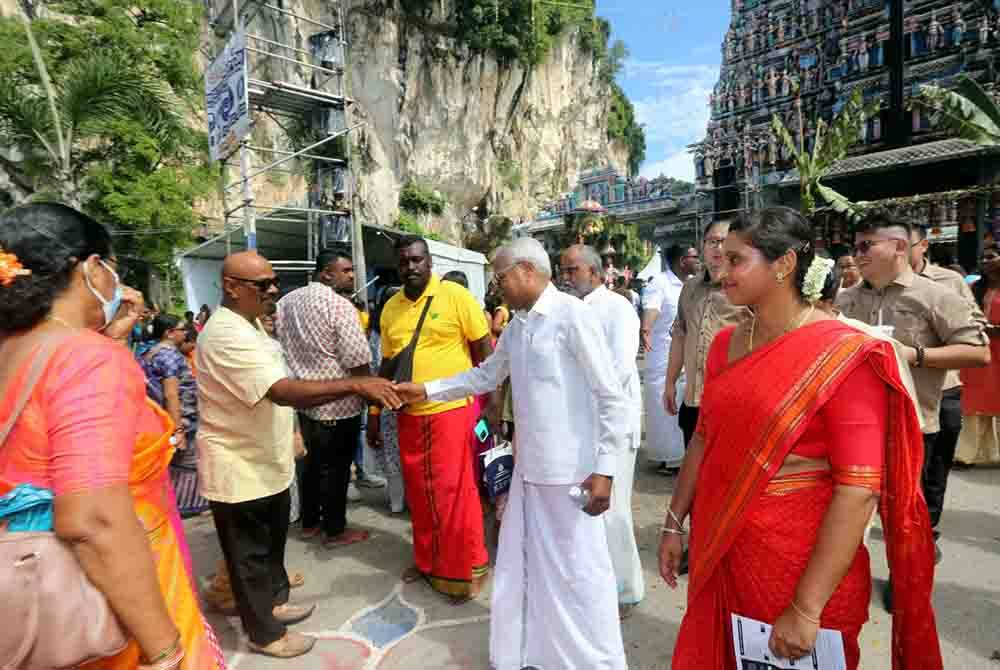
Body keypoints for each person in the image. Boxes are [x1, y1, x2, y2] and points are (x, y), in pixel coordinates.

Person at [660, 207, 942, 670]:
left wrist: (806, 607)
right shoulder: (726, 345)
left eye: (737, 260)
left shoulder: (843, 353)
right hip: (724, 548)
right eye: (720, 257)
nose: (721, 268)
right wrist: (674, 525)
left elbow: (858, 489)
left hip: (800, 566)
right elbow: (704, 440)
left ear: (785, 264)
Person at [0, 203, 224, 670]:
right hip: (102, 602)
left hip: (31, 593)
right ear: (91, 268)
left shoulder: (15, 350)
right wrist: (165, 650)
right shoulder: (86, 358)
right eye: (111, 267)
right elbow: (94, 520)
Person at [397, 237, 630, 670]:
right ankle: (542, 654)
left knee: (580, 574)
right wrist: (426, 389)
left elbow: (610, 397)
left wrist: (606, 469)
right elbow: (486, 374)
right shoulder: (520, 325)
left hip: (570, 476)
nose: (496, 287)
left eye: (500, 277)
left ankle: (597, 661)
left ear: (526, 271)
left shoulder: (572, 316)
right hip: (529, 472)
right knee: (531, 571)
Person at [196, 250, 401, 658]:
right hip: (238, 466)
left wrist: (292, 432)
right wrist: (357, 386)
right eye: (263, 285)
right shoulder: (225, 334)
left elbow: (280, 379)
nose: (273, 290)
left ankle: (275, 603)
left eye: (274, 281)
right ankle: (265, 633)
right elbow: (282, 390)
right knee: (249, 557)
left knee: (271, 546)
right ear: (232, 287)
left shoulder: (252, 323)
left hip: (266, 459)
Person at [837, 214, 988, 562]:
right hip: (856, 423)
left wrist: (911, 355)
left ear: (899, 247)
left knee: (907, 513)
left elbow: (978, 352)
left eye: (866, 245)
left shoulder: (935, 295)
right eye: (855, 246)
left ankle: (906, 577)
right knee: (851, 506)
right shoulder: (846, 299)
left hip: (913, 423)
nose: (858, 254)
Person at [372, 236, 494, 602]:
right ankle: (427, 562)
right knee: (420, 495)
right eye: (404, 262)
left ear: (429, 261)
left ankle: (467, 568)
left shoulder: (456, 297)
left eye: (417, 260)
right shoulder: (391, 307)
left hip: (452, 412)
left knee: (455, 493)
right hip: (409, 415)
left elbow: (485, 352)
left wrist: (489, 404)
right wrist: (375, 411)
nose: (411, 267)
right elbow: (389, 363)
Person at [559, 244, 644, 616]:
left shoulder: (617, 308)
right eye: (563, 270)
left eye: (572, 269)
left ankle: (626, 589)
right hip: (582, 424)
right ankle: (597, 583)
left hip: (613, 424)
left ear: (594, 273)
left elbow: (620, 368)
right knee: (587, 506)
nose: (566, 276)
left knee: (613, 509)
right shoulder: (570, 310)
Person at [276, 249, 374, 548]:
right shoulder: (339, 306)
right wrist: (369, 389)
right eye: (345, 270)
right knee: (337, 469)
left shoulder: (285, 303)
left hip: (302, 400)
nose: (351, 276)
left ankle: (309, 523)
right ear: (326, 273)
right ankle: (335, 530)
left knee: (311, 466)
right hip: (339, 403)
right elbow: (357, 359)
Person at [908, 224, 979, 510]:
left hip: (944, 386)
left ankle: (929, 526)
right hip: (901, 388)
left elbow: (974, 326)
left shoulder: (949, 281)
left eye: (906, 244)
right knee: (907, 468)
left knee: (937, 464)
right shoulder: (875, 285)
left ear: (923, 245)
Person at [664, 221, 749, 450]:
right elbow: (680, 336)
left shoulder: (746, 287)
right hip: (693, 401)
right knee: (694, 479)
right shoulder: (690, 288)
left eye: (724, 242)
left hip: (731, 403)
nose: (718, 248)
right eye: (712, 241)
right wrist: (670, 382)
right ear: (703, 247)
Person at [140, 314, 208, 517]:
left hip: (165, 421)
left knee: (178, 465)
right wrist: (177, 428)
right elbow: (171, 394)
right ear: (169, 333)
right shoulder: (168, 355)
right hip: (180, 421)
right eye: (182, 329)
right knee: (185, 465)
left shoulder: (151, 353)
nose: (186, 333)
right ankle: (185, 508)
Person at [642, 244, 699, 474]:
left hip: (689, 353)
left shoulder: (694, 283)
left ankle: (683, 455)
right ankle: (670, 458)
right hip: (663, 355)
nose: (698, 260)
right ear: (680, 260)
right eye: (693, 256)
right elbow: (652, 308)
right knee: (665, 407)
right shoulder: (660, 283)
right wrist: (646, 328)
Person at [955, 241, 1000, 466]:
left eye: (991, 257)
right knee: (973, 401)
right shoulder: (975, 288)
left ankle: (994, 453)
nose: (985, 262)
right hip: (980, 349)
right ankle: (966, 455)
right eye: (983, 258)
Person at [368, 286, 406, 513]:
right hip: (392, 400)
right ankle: (401, 501)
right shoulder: (385, 336)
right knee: (397, 451)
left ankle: (396, 502)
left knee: (393, 453)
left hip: (385, 401)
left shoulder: (373, 334)